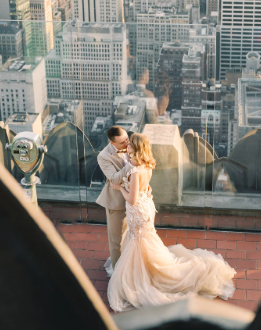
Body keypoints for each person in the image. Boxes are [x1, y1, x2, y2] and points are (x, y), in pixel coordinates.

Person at [108, 132, 236, 312]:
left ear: (136, 149)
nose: (127, 147)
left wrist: (119, 187)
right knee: (145, 241)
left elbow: (132, 199)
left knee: (139, 242)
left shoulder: (136, 173)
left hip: (138, 210)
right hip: (147, 207)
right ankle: (147, 268)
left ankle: (145, 275)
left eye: (130, 145)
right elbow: (147, 187)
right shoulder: (147, 165)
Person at [96, 126, 131, 274]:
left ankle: (128, 263)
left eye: (127, 139)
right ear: (112, 143)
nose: (127, 144)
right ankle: (118, 272)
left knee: (129, 236)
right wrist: (132, 165)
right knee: (116, 239)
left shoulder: (130, 146)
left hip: (134, 200)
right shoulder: (103, 156)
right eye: (122, 142)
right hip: (116, 202)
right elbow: (114, 179)